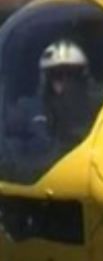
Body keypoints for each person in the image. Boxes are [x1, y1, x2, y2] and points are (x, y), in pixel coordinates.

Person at [2, 40, 96, 179]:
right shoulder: (28, 109)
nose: (64, 82)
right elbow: (7, 145)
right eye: (57, 75)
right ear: (46, 79)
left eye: (71, 75)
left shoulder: (96, 111)